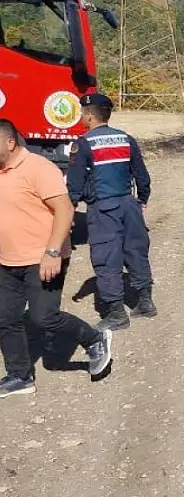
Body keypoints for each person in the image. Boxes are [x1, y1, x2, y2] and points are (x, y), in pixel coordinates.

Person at [0, 119, 112, 397]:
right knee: (5, 318)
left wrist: (52, 251)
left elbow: (64, 210)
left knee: (42, 318)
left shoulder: (39, 168)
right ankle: (20, 376)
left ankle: (94, 339)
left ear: (10, 143)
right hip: (6, 260)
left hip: (43, 257)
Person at [67, 93, 154, 331]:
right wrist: (142, 200)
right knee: (136, 251)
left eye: (83, 114)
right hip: (129, 204)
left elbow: (74, 185)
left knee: (106, 258)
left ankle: (117, 314)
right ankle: (145, 302)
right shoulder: (126, 139)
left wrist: (68, 213)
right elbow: (142, 176)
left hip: (103, 207)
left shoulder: (83, 143)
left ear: (89, 115)